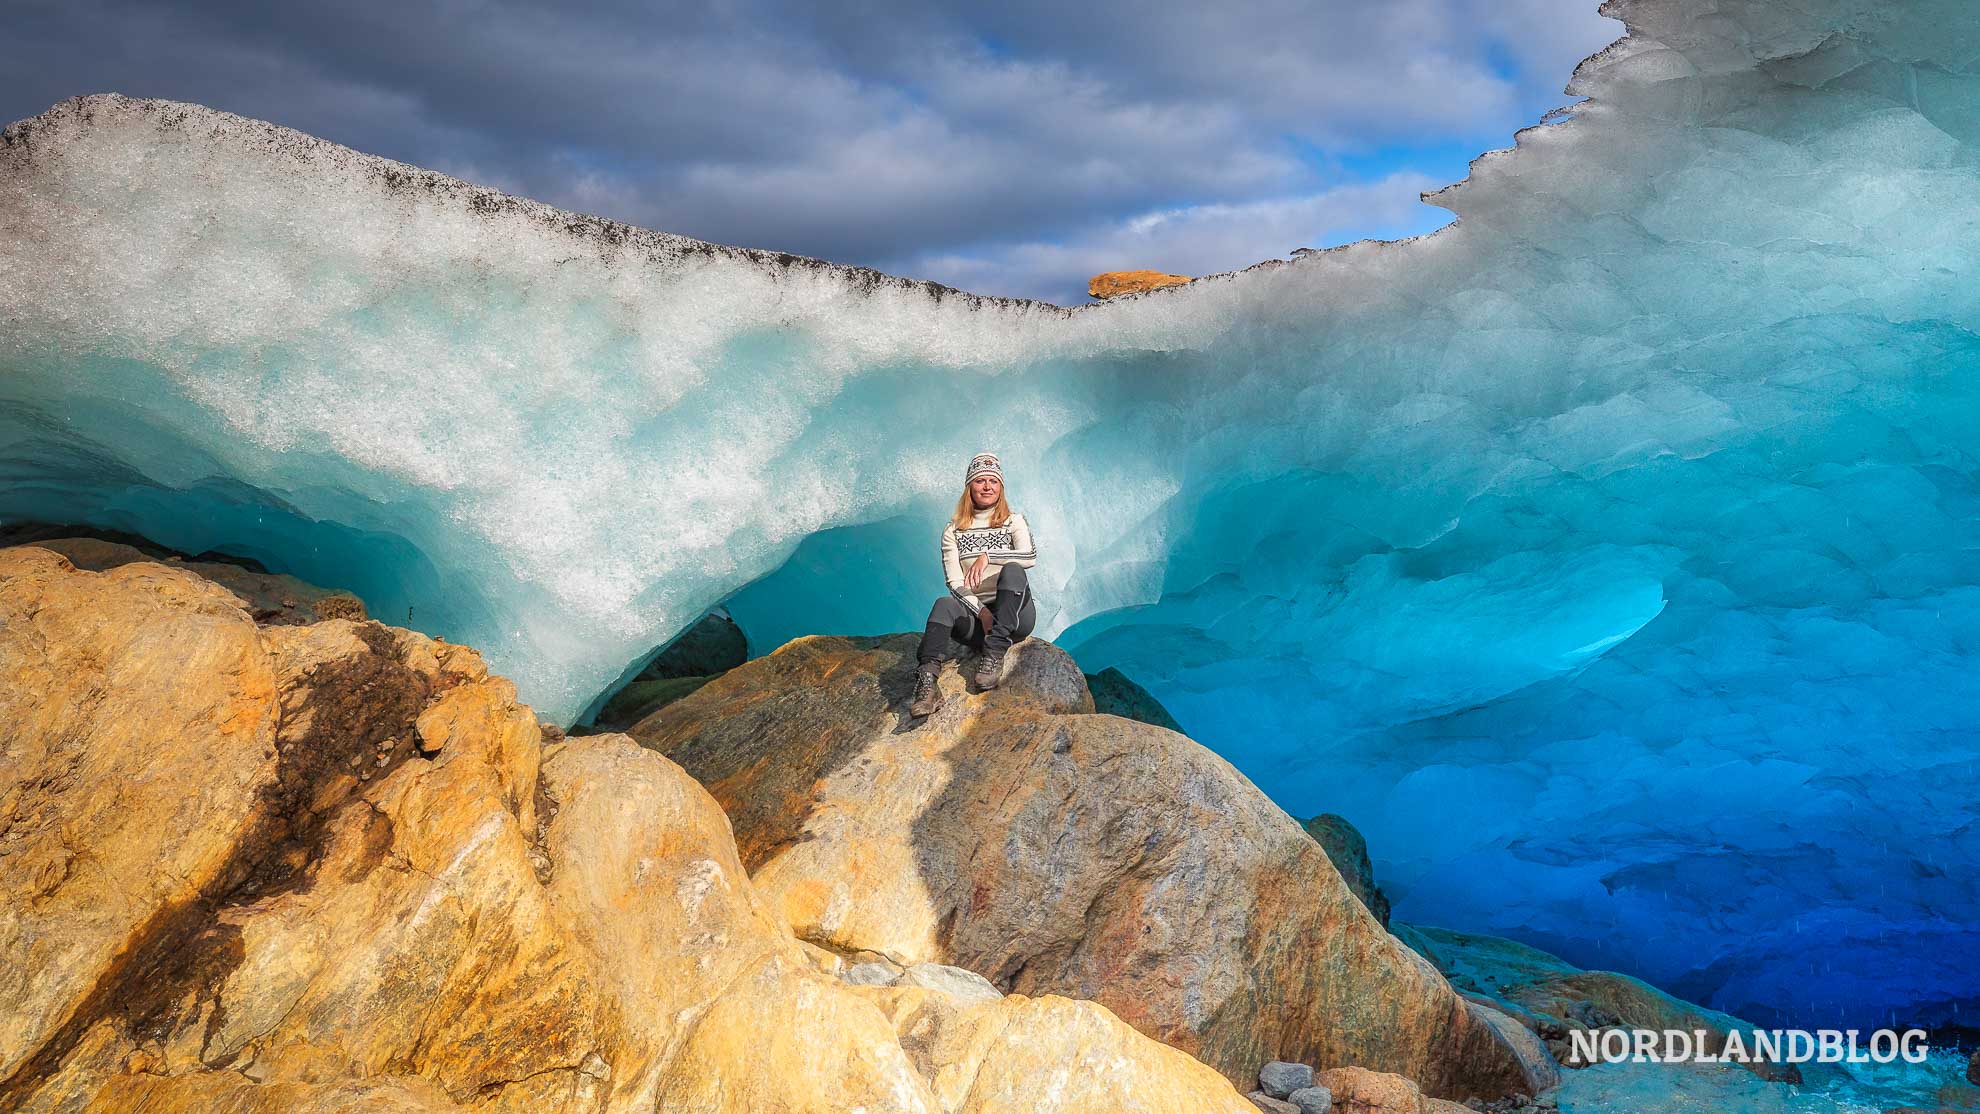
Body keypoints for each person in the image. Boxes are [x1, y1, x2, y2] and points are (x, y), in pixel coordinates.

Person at [910, 451, 1037, 718]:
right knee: (943, 605)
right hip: (979, 620)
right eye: (980, 481)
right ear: (970, 487)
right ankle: (928, 683)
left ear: (1001, 487)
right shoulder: (953, 531)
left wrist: (988, 556)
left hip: (1014, 617)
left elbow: (1029, 557)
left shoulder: (1014, 521)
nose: (987, 486)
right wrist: (981, 611)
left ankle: (994, 654)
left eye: (993, 480)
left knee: (1013, 570)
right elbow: (954, 582)